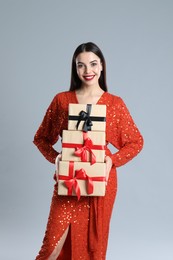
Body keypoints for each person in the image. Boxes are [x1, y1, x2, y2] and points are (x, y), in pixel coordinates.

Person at [33, 42, 144, 260]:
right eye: (81, 65)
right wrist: (57, 159)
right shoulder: (62, 100)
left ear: (102, 66)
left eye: (93, 64)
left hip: (100, 182)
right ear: (75, 69)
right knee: (51, 248)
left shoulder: (114, 104)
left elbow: (136, 142)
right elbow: (41, 139)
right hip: (69, 180)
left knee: (94, 245)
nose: (88, 71)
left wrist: (111, 160)